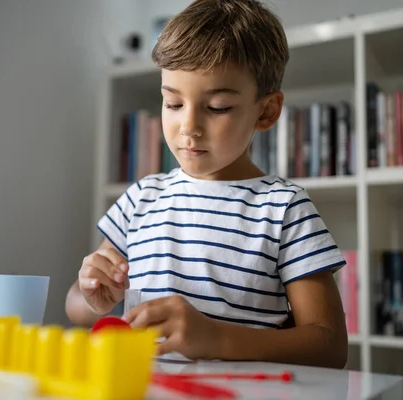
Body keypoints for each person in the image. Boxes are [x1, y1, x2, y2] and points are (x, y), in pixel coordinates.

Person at [65, 0, 348, 368]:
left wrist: (217, 337)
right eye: (173, 103)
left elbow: (329, 345)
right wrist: (93, 298)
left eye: (216, 108)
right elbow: (76, 307)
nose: (189, 127)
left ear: (266, 112)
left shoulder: (283, 208)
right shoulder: (141, 199)